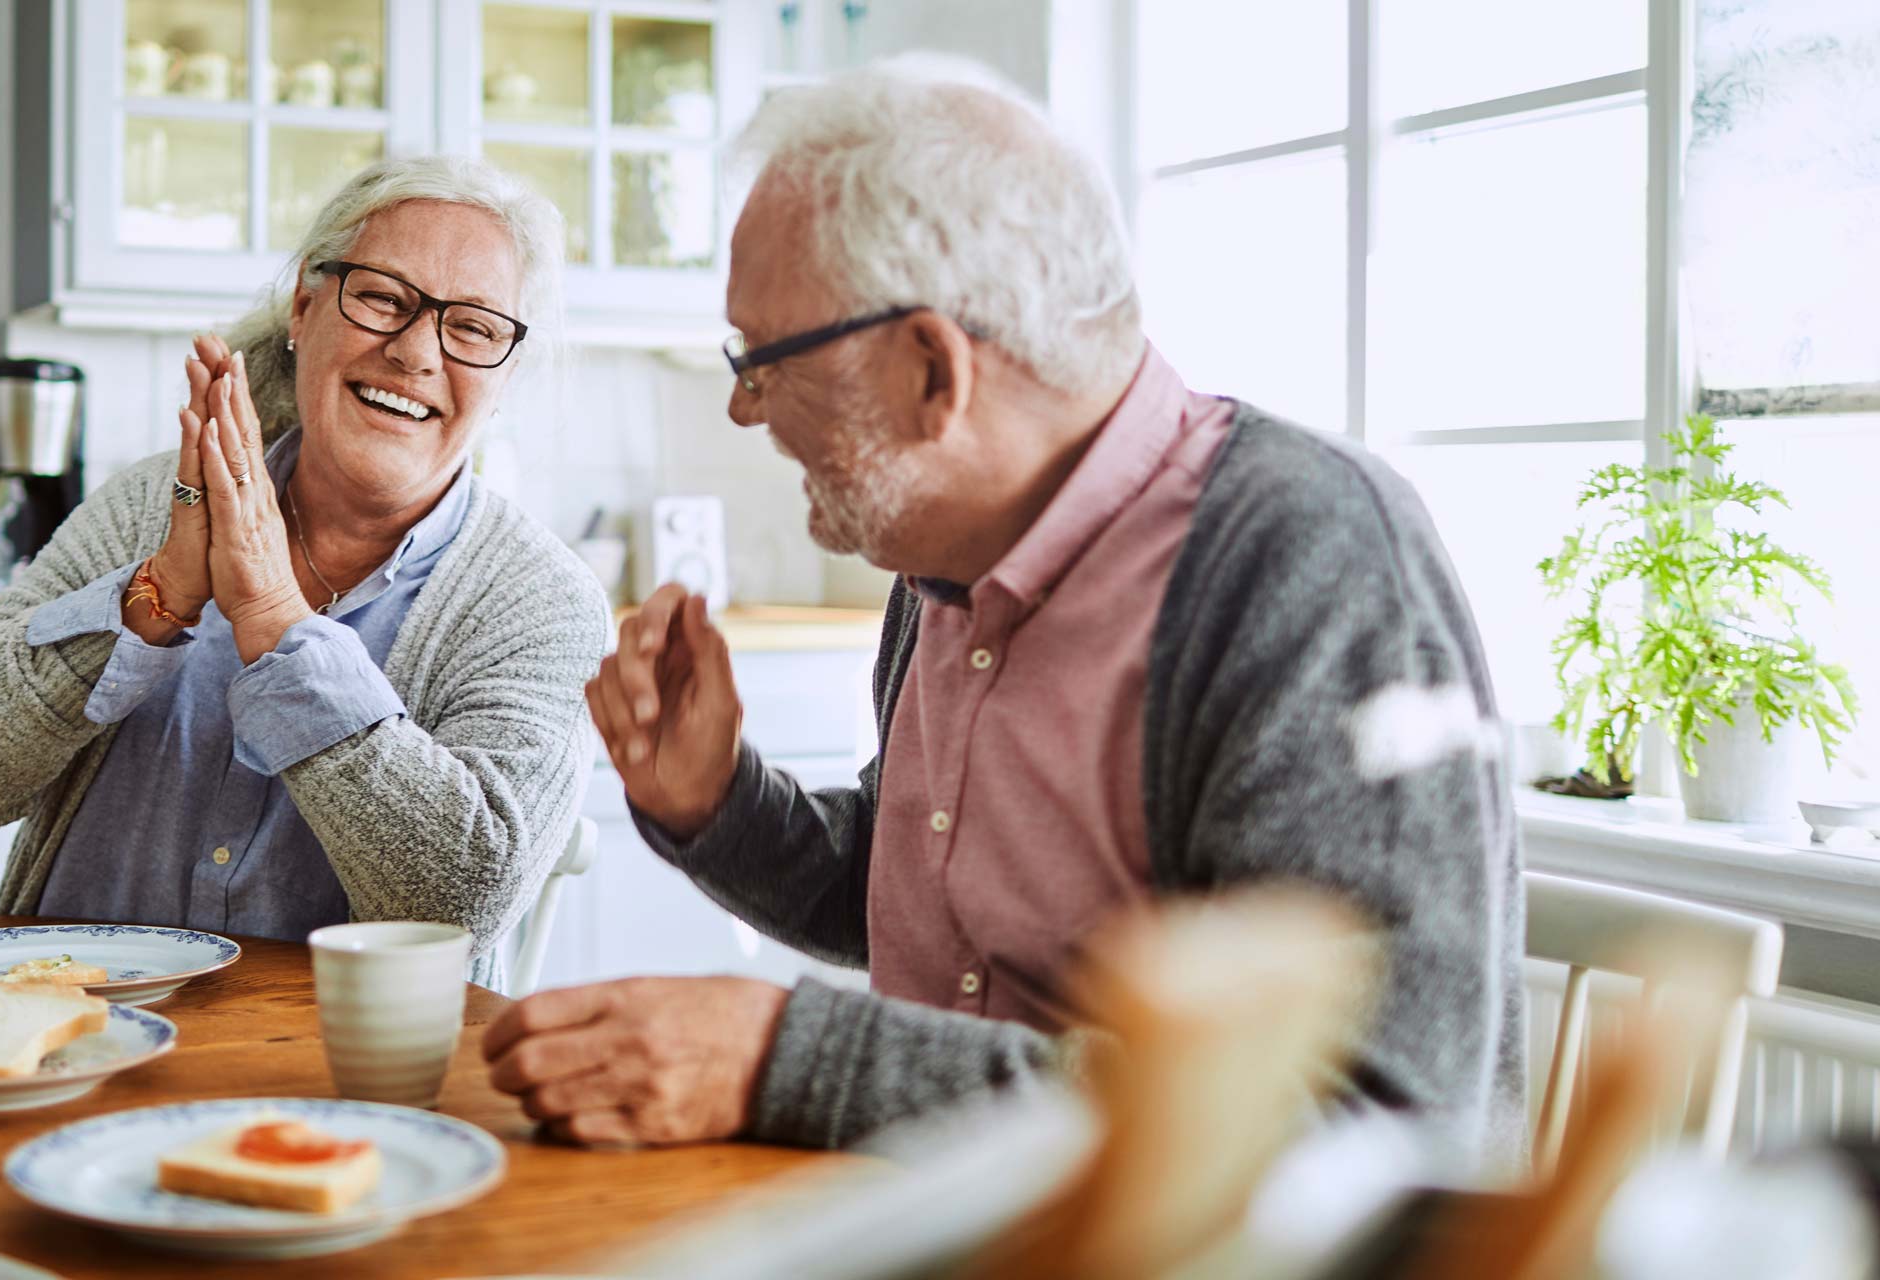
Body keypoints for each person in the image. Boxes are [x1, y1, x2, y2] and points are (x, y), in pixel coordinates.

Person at [483, 55, 1527, 1156]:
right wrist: (717, 804)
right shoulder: (943, 561)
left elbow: (1367, 1120)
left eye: (763, 360)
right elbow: (920, 908)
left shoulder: (1309, 559)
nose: (745, 410)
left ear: (934, 370)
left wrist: (783, 1060)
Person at [0, 156, 609, 988]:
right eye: (382, 297)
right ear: (306, 304)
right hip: (64, 1035)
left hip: (339, 1093)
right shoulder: (153, 505)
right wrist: (149, 601)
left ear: (505, 373)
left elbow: (460, 900)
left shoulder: (540, 601)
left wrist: (275, 620)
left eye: (474, 327)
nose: (416, 353)